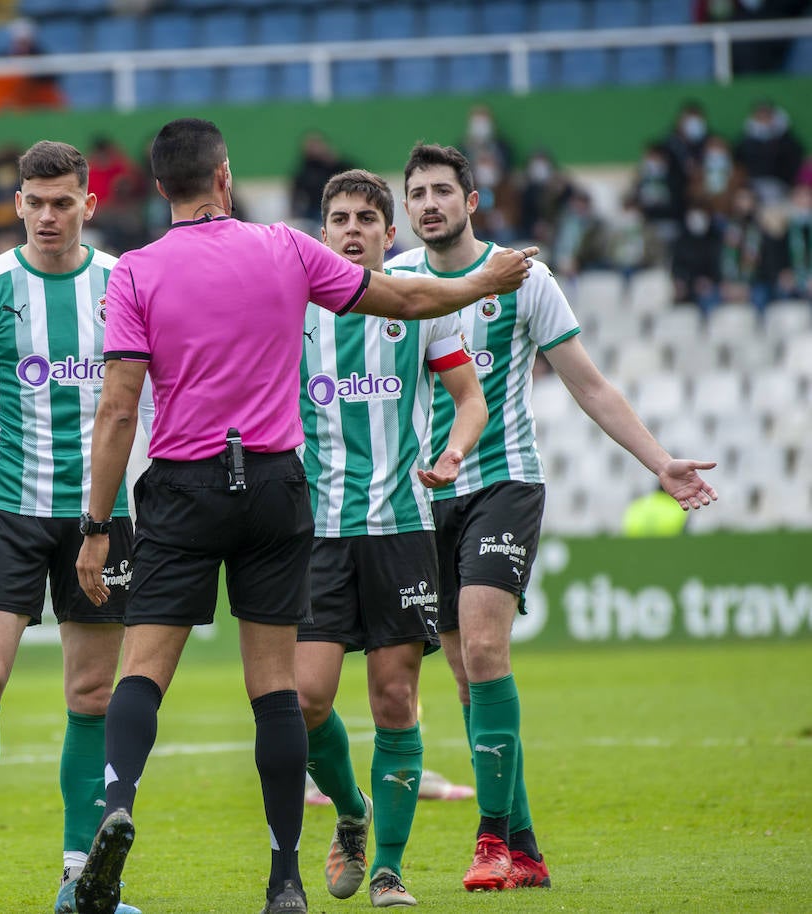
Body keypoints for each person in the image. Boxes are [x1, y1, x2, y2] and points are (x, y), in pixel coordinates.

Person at [72, 118, 536, 914]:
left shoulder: (137, 273)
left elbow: (117, 409)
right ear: (225, 178)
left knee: (143, 671)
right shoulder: (284, 248)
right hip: (279, 487)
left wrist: (96, 524)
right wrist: (479, 286)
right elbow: (406, 293)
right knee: (279, 691)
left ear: (157, 191)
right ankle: (286, 877)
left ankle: (117, 802)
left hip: (184, 483)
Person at [386, 142, 717, 892]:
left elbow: (588, 385)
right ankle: (527, 848)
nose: (429, 203)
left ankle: (492, 842)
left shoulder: (526, 278)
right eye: (418, 194)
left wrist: (657, 462)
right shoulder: (395, 282)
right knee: (469, 686)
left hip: (504, 482)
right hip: (418, 496)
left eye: (443, 190)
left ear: (472, 201)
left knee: (482, 651)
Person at [0, 140, 146, 914]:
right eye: (35, 202)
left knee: (91, 694)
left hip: (104, 518)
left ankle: (80, 877)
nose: (49, 216)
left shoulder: (124, 284)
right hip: (9, 511)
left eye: (63, 202)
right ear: (17, 203)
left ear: (88, 203)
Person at [297, 169, 488, 909]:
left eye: (365, 219)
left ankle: (390, 869)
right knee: (308, 699)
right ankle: (351, 811)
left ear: (388, 232)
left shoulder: (421, 309)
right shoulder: (296, 312)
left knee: (394, 698)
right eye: (339, 218)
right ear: (323, 233)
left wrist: (453, 452)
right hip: (316, 534)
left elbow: (468, 399)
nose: (351, 229)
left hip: (402, 528)